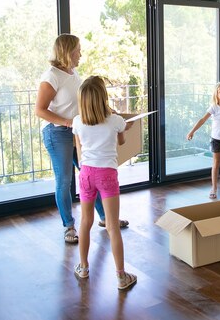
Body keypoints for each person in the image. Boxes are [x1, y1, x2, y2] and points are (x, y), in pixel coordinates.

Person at [35, 34, 127, 245]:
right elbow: (39, 110)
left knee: (89, 172)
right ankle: (69, 227)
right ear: (67, 51)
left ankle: (106, 219)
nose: (81, 54)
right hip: (57, 133)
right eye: (78, 50)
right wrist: (68, 123)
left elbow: (83, 102)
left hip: (76, 131)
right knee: (65, 179)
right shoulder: (51, 77)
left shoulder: (72, 73)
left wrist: (109, 111)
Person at [72, 76, 137, 290]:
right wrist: (124, 129)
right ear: (103, 97)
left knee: (85, 222)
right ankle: (120, 277)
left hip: (86, 173)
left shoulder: (77, 121)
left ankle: (83, 267)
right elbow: (121, 141)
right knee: (112, 226)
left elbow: (80, 148)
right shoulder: (115, 120)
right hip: (107, 174)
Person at [186, 82, 220, 200]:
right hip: (216, 140)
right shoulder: (214, 107)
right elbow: (202, 120)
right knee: (216, 164)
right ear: (216, 94)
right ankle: (214, 188)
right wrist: (192, 131)